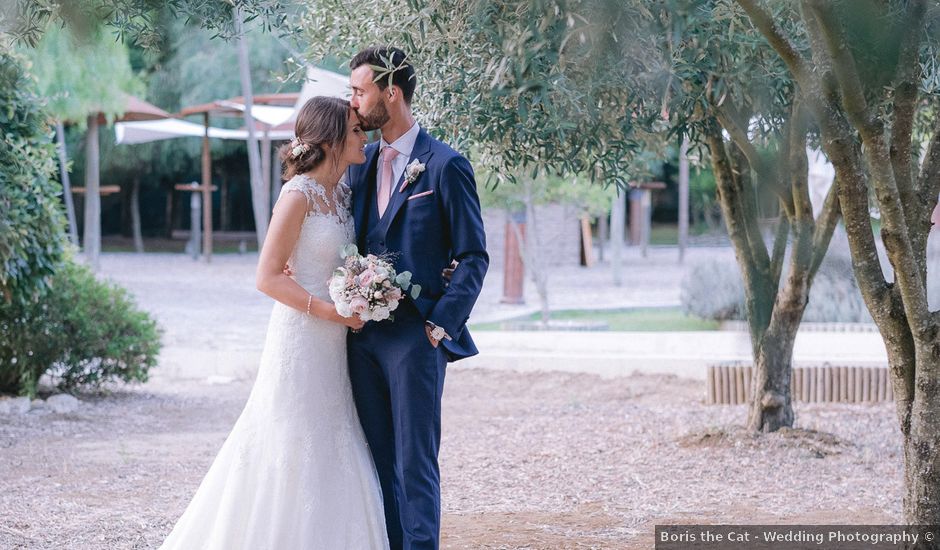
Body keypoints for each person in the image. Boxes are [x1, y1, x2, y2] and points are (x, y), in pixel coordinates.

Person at [160, 96, 389, 549]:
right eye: (357, 130)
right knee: (288, 436)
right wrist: (331, 312)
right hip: (302, 336)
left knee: (334, 436)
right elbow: (267, 276)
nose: (365, 137)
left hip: (337, 341)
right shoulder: (297, 194)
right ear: (332, 138)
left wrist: (363, 292)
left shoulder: (345, 193)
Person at [346, 46, 489, 550]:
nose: (353, 103)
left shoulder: (446, 166)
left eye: (359, 91)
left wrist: (439, 325)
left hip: (416, 338)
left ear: (391, 92)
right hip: (361, 340)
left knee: (415, 463)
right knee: (378, 460)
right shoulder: (356, 162)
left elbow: (474, 255)